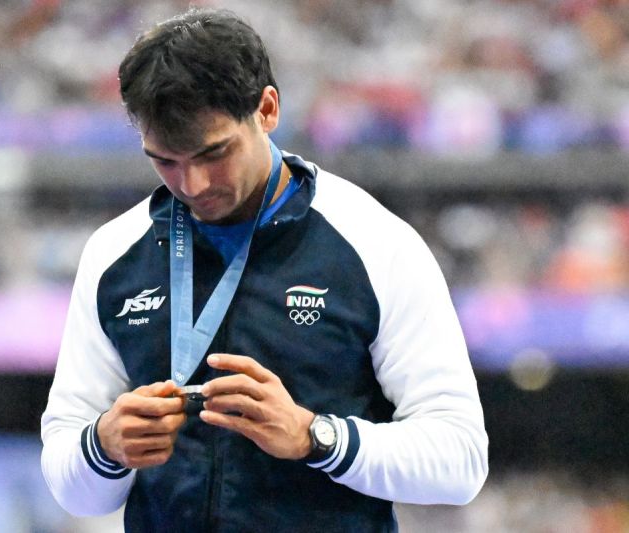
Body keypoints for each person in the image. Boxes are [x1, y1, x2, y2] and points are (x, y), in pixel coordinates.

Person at [41, 7, 488, 532]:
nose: (194, 185)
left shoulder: (376, 243)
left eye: (214, 153)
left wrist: (315, 436)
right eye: (165, 161)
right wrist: (104, 445)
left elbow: (461, 462)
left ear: (267, 108)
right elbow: (76, 490)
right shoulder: (114, 253)